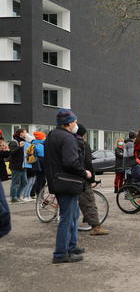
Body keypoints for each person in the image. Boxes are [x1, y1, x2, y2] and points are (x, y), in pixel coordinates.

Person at [44, 109, 92, 264]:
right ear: (69, 122)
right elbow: (71, 162)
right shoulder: (67, 138)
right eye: (75, 121)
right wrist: (84, 173)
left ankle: (71, 246)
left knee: (73, 214)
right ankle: (60, 253)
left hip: (57, 180)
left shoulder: (52, 135)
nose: (76, 124)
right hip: (67, 182)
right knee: (66, 217)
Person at [76, 124, 110, 236]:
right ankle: (96, 227)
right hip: (81, 177)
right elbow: (88, 162)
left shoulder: (66, 141)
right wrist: (92, 179)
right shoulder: (82, 144)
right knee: (89, 201)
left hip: (64, 177)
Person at [8, 129, 28, 203]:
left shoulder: (24, 141)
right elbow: (11, 152)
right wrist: (19, 147)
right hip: (16, 165)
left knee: (24, 182)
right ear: (20, 133)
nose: (26, 133)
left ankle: (18, 196)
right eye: (25, 132)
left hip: (23, 165)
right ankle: (13, 197)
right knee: (15, 182)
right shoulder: (14, 141)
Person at [21, 132, 37, 201]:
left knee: (32, 181)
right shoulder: (26, 144)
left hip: (32, 164)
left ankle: (27, 195)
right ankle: (25, 196)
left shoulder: (31, 144)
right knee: (29, 181)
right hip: (28, 165)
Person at [31, 132, 47, 197]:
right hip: (41, 164)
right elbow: (43, 155)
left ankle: (37, 194)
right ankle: (38, 194)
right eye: (44, 137)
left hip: (36, 164)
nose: (45, 138)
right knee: (40, 180)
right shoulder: (39, 145)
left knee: (40, 179)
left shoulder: (35, 143)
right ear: (41, 138)